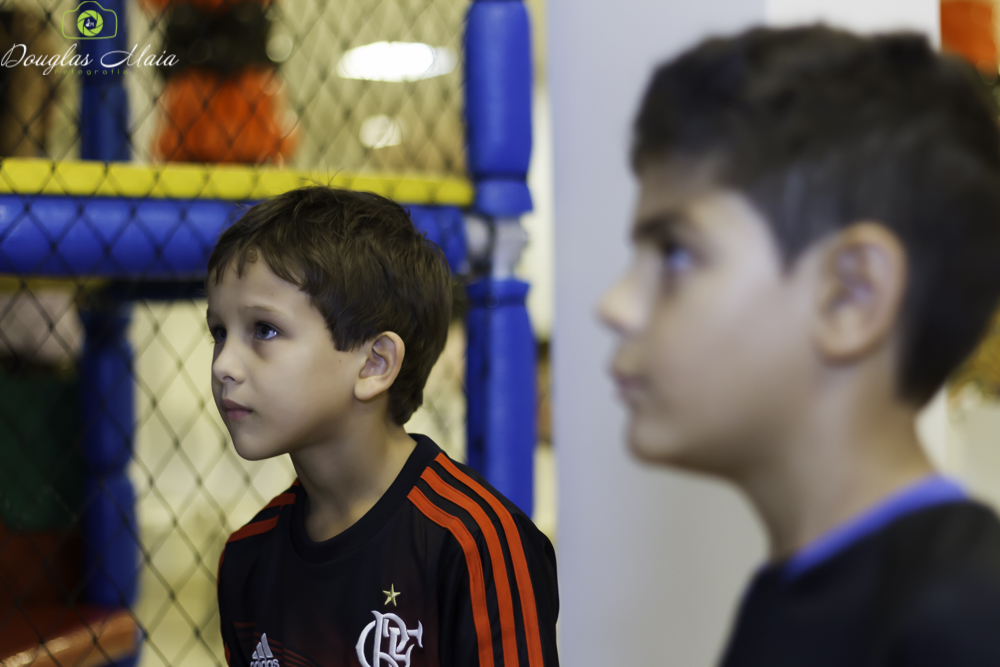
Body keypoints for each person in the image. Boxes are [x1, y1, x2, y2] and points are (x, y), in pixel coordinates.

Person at [599, 26, 1000, 666]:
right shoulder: (791, 595)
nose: (615, 306)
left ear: (851, 295)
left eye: (675, 254)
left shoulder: (966, 622)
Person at [208, 186, 559, 667]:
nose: (223, 365)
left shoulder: (478, 542)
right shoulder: (247, 559)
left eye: (264, 330)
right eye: (219, 332)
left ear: (375, 363)